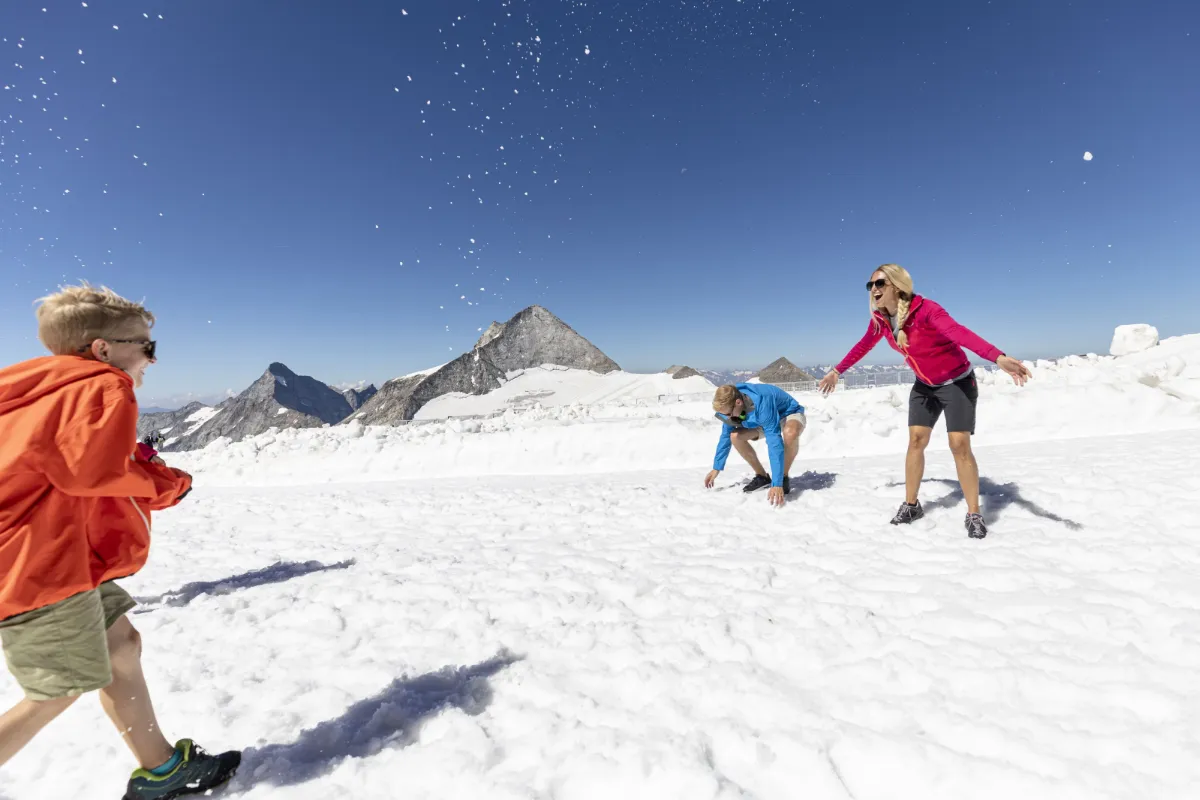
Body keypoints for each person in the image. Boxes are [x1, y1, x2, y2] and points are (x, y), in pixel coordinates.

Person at [0, 283, 241, 798]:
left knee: (121, 646)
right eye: (145, 346)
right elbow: (91, 473)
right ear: (103, 349)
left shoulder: (36, 388)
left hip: (59, 553)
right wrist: (165, 484)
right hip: (35, 567)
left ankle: (160, 771)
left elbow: (61, 468)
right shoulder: (105, 385)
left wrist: (137, 470)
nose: (153, 358)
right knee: (58, 688)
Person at [818, 264, 1031, 538]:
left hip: (957, 382)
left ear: (896, 285)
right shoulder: (881, 319)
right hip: (925, 386)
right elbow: (863, 345)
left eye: (879, 283)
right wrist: (837, 371)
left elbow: (958, 332)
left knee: (959, 445)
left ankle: (974, 513)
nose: (874, 290)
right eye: (870, 285)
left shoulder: (927, 310)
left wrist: (997, 357)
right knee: (916, 441)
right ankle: (911, 505)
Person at [704, 383, 807, 507]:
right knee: (735, 436)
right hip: (760, 420)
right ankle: (762, 477)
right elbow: (725, 436)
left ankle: (782, 478)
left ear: (738, 402)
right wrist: (717, 467)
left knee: (790, 433)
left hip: (788, 414)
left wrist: (777, 483)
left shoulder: (763, 402)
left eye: (728, 414)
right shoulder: (729, 406)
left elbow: (774, 443)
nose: (727, 417)